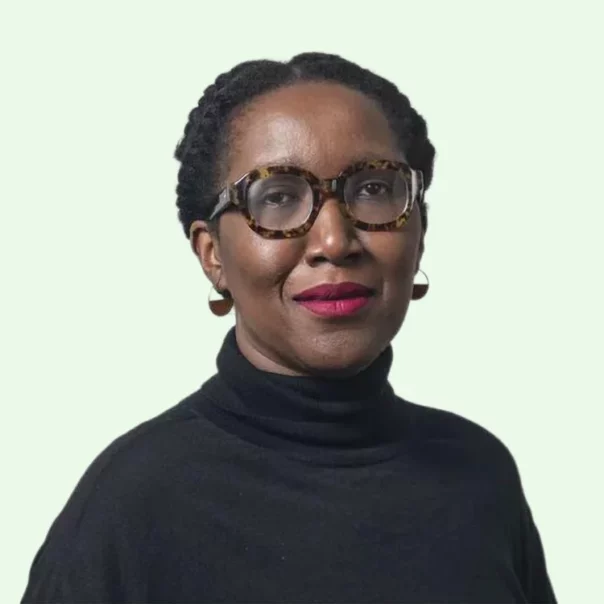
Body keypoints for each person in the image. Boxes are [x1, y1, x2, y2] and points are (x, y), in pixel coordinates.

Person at [21, 53, 557, 603]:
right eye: (277, 197)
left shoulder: (479, 472)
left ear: (418, 233)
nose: (334, 241)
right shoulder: (129, 505)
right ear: (212, 255)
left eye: (374, 189)